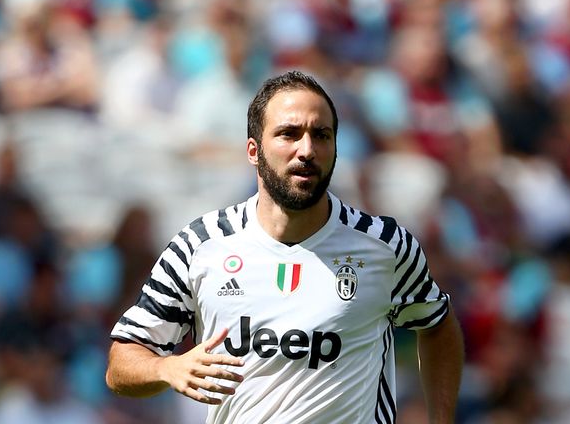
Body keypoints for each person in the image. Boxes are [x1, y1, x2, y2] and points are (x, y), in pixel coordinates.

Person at [105, 70, 464, 423]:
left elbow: (437, 325)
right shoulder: (201, 244)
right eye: (288, 134)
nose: (306, 150)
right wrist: (168, 367)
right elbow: (121, 363)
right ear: (253, 150)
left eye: (320, 135)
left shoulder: (384, 245)